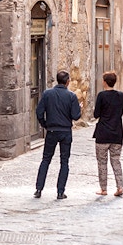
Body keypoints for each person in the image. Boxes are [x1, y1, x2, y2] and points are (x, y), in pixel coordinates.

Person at [34, 70, 81, 200]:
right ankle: (60, 192)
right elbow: (76, 116)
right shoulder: (71, 96)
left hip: (52, 131)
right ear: (67, 81)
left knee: (45, 160)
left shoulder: (47, 94)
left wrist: (45, 125)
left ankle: (38, 189)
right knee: (64, 161)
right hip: (66, 132)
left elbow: (39, 112)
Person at [93, 70, 123, 197]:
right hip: (117, 133)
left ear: (104, 82)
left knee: (102, 162)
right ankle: (120, 186)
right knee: (116, 160)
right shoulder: (121, 96)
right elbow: (120, 112)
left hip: (103, 133)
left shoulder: (101, 96)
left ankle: (103, 189)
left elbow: (96, 114)